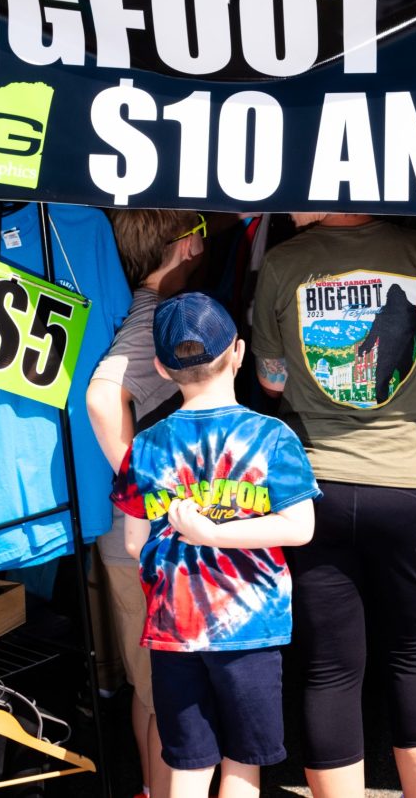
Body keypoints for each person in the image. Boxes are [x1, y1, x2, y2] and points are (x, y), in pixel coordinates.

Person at [251, 213, 416, 798]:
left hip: (313, 487)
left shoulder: (282, 262)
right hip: (411, 483)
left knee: (329, 666)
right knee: (413, 652)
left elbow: (271, 382)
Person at [112, 292, 319, 798]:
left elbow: (137, 540)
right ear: (240, 352)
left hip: (173, 631)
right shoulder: (272, 436)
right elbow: (300, 527)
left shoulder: (144, 445)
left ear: (161, 367)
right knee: (243, 763)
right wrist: (219, 535)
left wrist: (197, 536)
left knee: (189, 764)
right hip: (249, 631)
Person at [86, 209, 207, 798]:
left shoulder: (129, 305)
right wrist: (146, 491)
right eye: (203, 232)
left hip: (125, 533)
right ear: (185, 245)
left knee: (148, 687)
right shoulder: (152, 315)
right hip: (148, 536)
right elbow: (105, 399)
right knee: (170, 692)